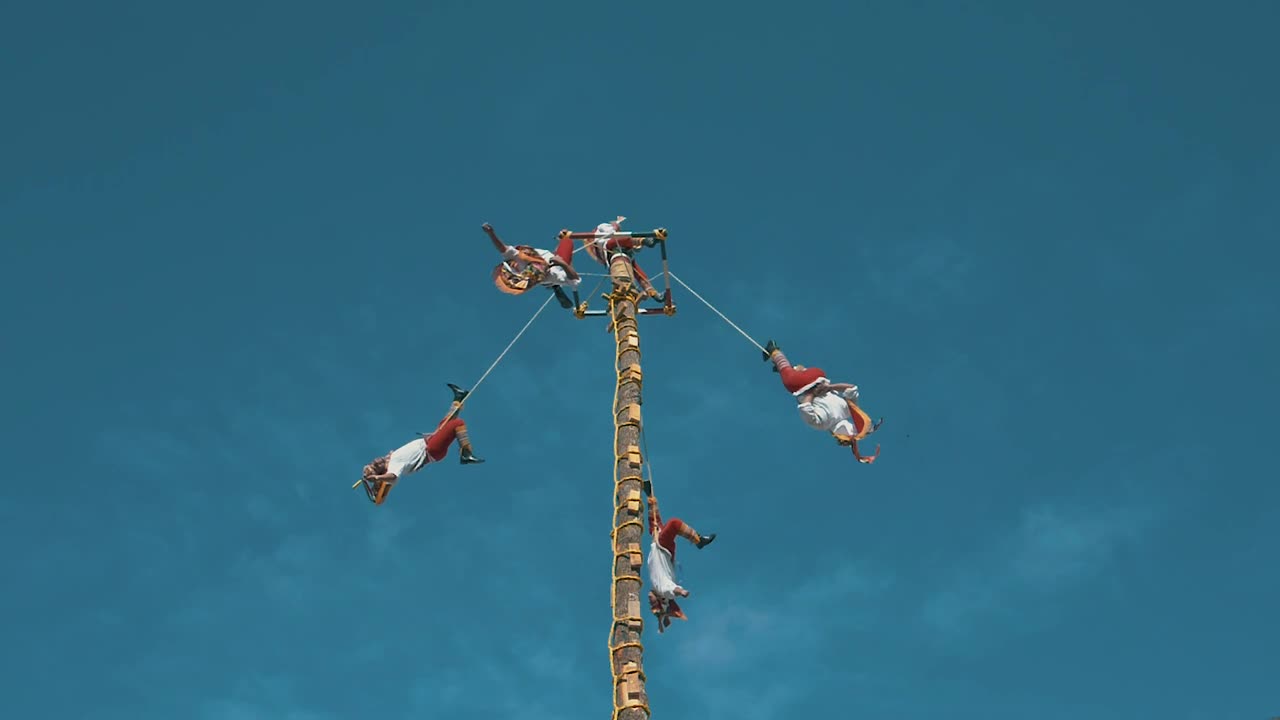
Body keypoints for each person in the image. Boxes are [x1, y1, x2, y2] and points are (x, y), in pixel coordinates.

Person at [360, 384, 485, 505]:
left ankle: (459, 397)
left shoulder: (392, 458)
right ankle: (466, 453)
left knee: (446, 423)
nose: (375, 461)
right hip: (430, 450)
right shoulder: (394, 465)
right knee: (457, 423)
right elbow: (393, 477)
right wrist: (376, 478)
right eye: (374, 465)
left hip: (429, 444)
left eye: (372, 463)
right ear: (380, 469)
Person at [762, 340, 882, 463]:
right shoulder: (823, 424)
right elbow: (804, 406)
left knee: (797, 376)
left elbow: (851, 387)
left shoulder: (848, 409)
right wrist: (814, 393)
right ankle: (775, 352)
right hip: (803, 383)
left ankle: (787, 367)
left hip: (818, 374)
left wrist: (830, 387)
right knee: (791, 382)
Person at [644, 480, 716, 633]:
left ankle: (650, 496)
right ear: (661, 600)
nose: (649, 599)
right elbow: (673, 590)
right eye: (652, 602)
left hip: (659, 547)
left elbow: (654, 522)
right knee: (674, 524)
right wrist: (682, 592)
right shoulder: (662, 588)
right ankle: (698, 540)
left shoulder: (657, 586)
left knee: (655, 524)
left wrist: (650, 496)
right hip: (664, 550)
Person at [483, 222, 582, 309]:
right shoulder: (551, 275)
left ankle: (554, 278)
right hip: (551, 270)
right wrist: (563, 264)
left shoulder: (516, 258)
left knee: (560, 247)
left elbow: (502, 248)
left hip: (542, 261)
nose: (515, 266)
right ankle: (554, 286)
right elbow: (575, 281)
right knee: (565, 249)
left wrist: (491, 233)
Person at [585, 216, 663, 302]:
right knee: (624, 238)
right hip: (611, 248)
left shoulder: (612, 236)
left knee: (639, 273)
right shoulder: (602, 228)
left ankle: (653, 293)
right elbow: (614, 235)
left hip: (624, 252)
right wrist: (615, 227)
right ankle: (645, 240)